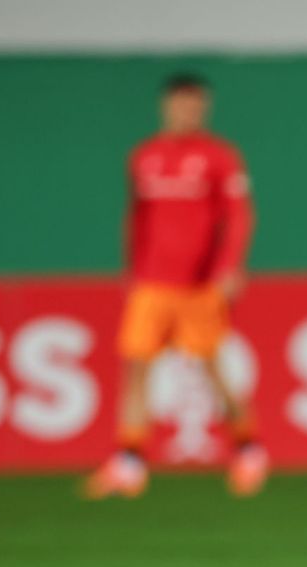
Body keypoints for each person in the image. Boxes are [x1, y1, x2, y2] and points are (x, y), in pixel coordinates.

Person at [85, 74, 266, 499]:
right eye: (183, 104)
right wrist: (131, 268)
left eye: (198, 106)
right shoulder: (145, 156)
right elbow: (137, 217)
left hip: (199, 284)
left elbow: (239, 215)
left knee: (211, 366)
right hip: (151, 282)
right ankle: (129, 462)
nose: (190, 112)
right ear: (166, 106)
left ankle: (249, 448)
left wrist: (229, 267)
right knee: (136, 366)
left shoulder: (219, 156)